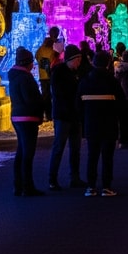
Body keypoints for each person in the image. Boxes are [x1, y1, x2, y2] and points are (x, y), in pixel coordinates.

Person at [79, 49, 124, 197]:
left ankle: (90, 186)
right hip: (109, 123)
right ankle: (106, 186)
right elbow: (121, 102)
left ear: (93, 62)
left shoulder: (85, 80)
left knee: (92, 155)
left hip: (91, 123)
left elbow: (77, 103)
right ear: (108, 63)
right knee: (107, 156)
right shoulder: (112, 81)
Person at [47, 45, 87, 191]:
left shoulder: (76, 73)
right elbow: (60, 95)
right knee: (59, 147)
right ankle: (52, 179)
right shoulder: (59, 73)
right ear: (72, 59)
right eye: (78, 59)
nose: (80, 62)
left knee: (75, 148)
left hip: (74, 116)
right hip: (63, 116)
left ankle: (74, 177)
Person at [7, 49, 46, 197]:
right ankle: (27, 186)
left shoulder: (15, 77)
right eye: (32, 63)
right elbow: (31, 99)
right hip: (28, 117)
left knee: (21, 151)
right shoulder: (25, 78)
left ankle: (18, 185)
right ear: (28, 63)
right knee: (28, 154)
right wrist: (41, 105)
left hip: (17, 116)